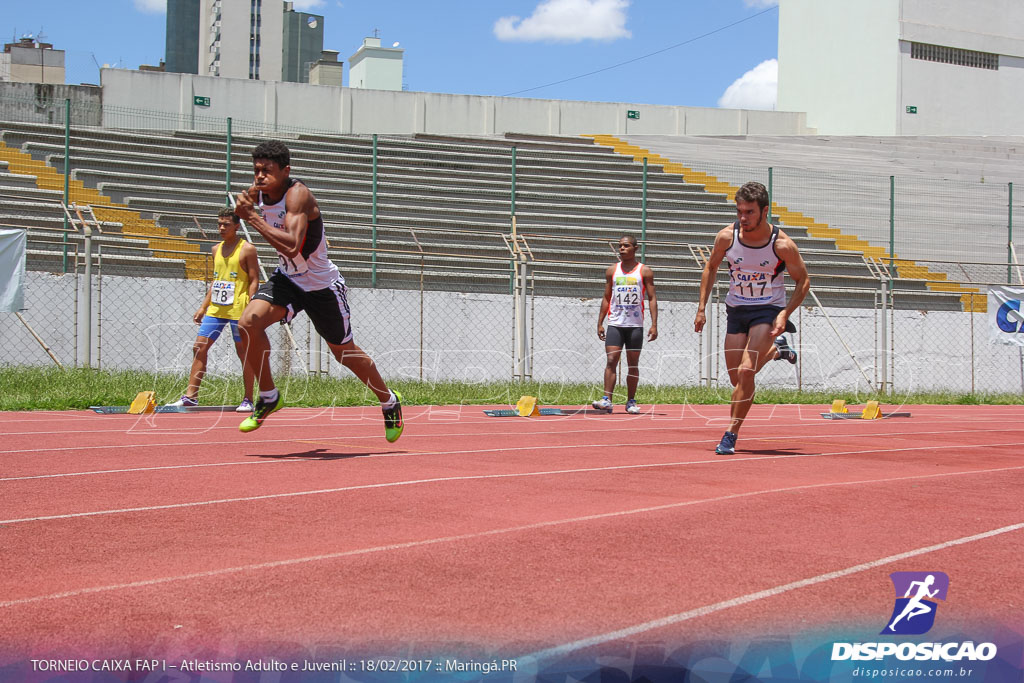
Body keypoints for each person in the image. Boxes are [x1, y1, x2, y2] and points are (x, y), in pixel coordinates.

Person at [232, 140, 404, 442]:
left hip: (321, 286)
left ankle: (389, 400)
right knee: (248, 323)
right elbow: (243, 209)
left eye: (267, 171)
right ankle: (269, 396)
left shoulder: (298, 196)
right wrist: (242, 209)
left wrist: (253, 218)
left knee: (344, 354)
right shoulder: (257, 189)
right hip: (289, 280)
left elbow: (291, 244)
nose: (260, 177)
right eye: (256, 170)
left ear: (286, 170)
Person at [694, 181, 809, 455]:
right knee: (737, 379)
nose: (743, 218)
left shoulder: (781, 245)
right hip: (737, 310)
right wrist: (701, 307)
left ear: (764, 211)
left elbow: (803, 281)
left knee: (747, 371)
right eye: (739, 212)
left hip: (766, 309)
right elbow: (710, 268)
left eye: (749, 212)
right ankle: (776, 352)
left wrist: (784, 313)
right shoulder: (726, 237)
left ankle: (730, 434)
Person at [167, 208, 259, 411]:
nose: (221, 228)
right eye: (219, 224)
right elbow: (217, 281)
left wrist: (252, 305)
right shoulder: (216, 249)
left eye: (226, 224)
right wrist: (203, 306)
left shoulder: (247, 249)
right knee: (199, 347)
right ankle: (191, 396)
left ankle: (248, 399)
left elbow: (254, 280)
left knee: (243, 353)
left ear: (237, 226)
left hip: (239, 309)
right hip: (217, 309)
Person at [593, 235, 658, 414]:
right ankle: (607, 399)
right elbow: (607, 297)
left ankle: (630, 401)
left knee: (633, 363)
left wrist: (654, 324)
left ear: (635, 248)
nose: (622, 248)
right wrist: (600, 322)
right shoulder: (612, 270)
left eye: (626, 246)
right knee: (611, 360)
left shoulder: (644, 271)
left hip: (635, 325)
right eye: (620, 246)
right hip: (615, 323)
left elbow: (652, 298)